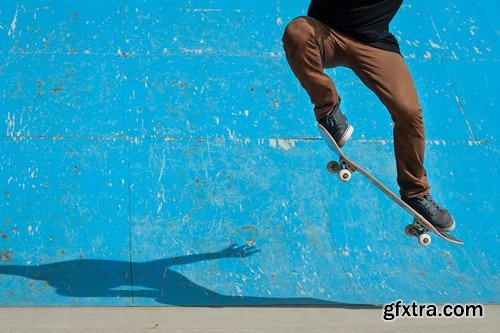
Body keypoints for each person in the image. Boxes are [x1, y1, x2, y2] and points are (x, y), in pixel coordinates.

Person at [282, 0, 455, 231]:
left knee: (409, 112)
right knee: (297, 32)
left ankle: (416, 193)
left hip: (374, 44)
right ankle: (328, 110)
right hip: (326, 34)